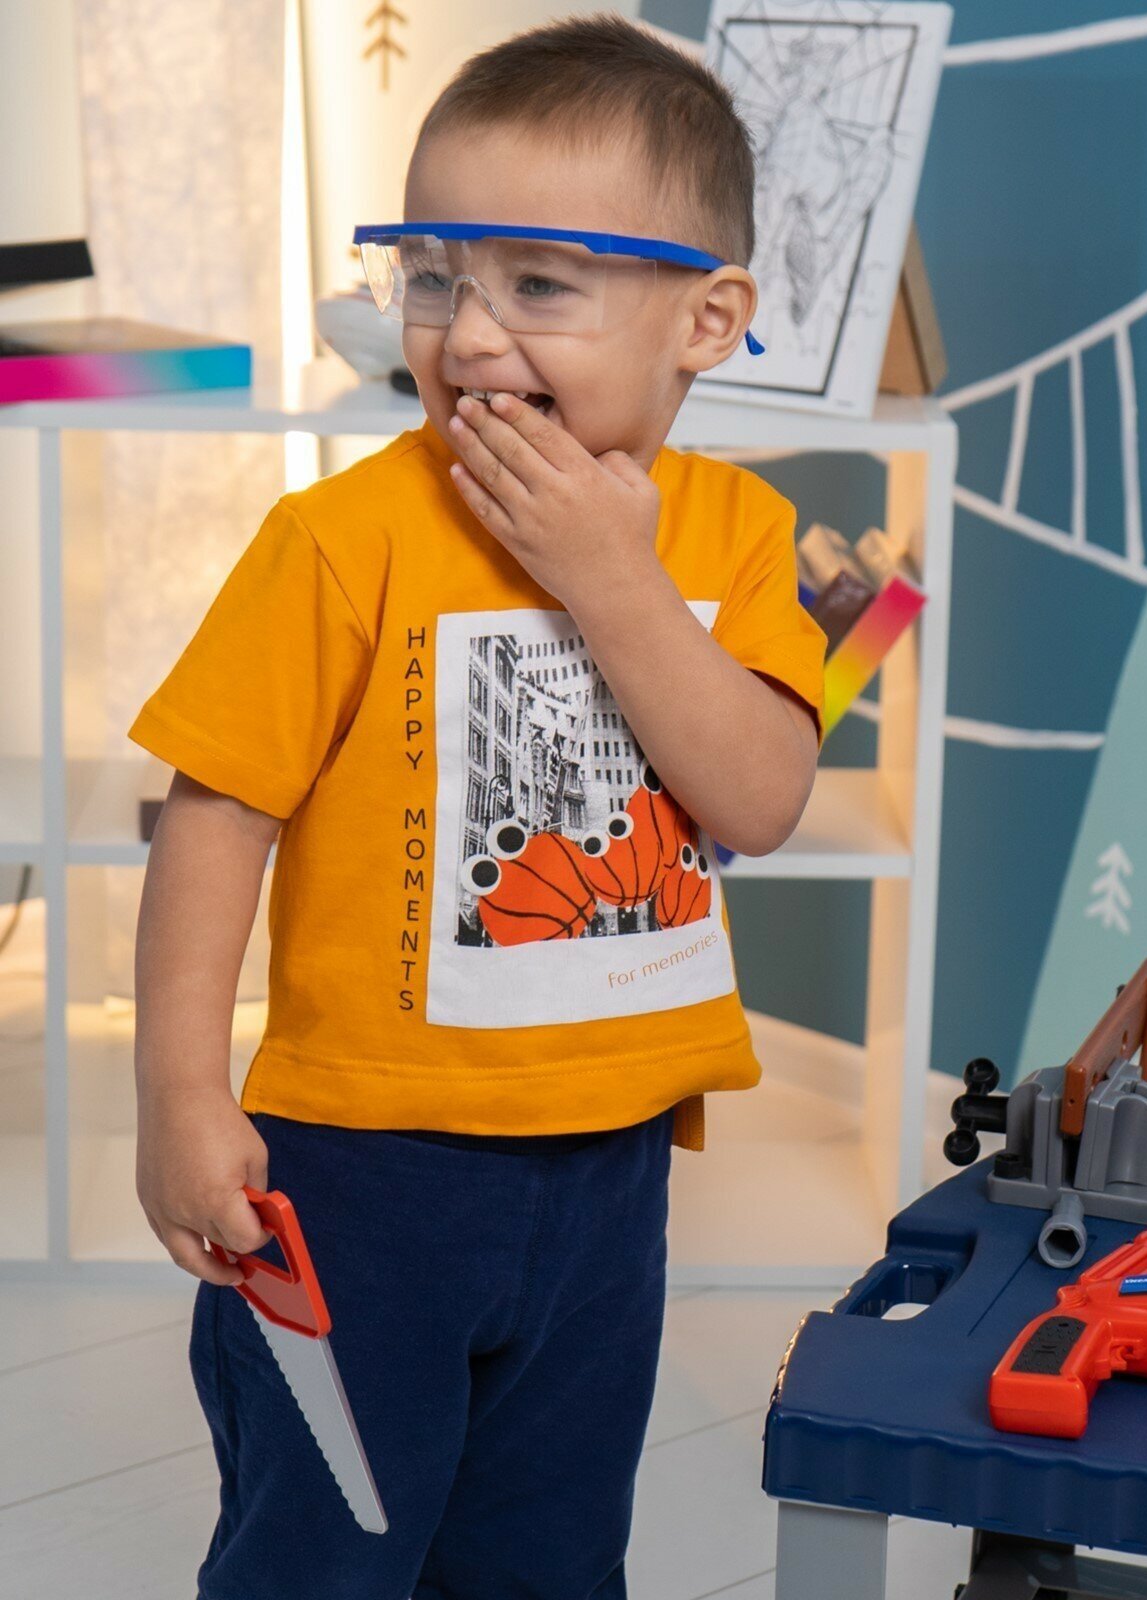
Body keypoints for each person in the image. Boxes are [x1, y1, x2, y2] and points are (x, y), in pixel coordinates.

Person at [128, 14, 827, 1597]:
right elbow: (219, 811)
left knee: (549, 1555)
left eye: (540, 286)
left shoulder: (736, 534)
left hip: (609, 1172)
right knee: (323, 1553)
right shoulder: (343, 538)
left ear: (706, 319)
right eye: (436, 277)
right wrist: (178, 1089)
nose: (467, 334)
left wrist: (611, 577)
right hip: (356, 1172)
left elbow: (763, 794)